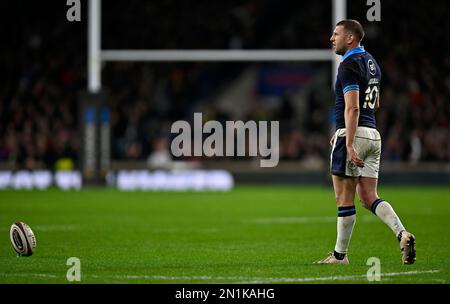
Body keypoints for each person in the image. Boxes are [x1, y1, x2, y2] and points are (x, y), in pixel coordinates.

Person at [316, 20, 416, 265]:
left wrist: (348, 141)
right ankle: (402, 233)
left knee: (344, 199)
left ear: (350, 38)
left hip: (355, 134)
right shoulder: (372, 63)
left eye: (336, 34)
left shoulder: (348, 64)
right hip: (373, 134)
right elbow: (375, 104)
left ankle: (340, 256)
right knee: (369, 196)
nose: (331, 38)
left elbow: (353, 107)